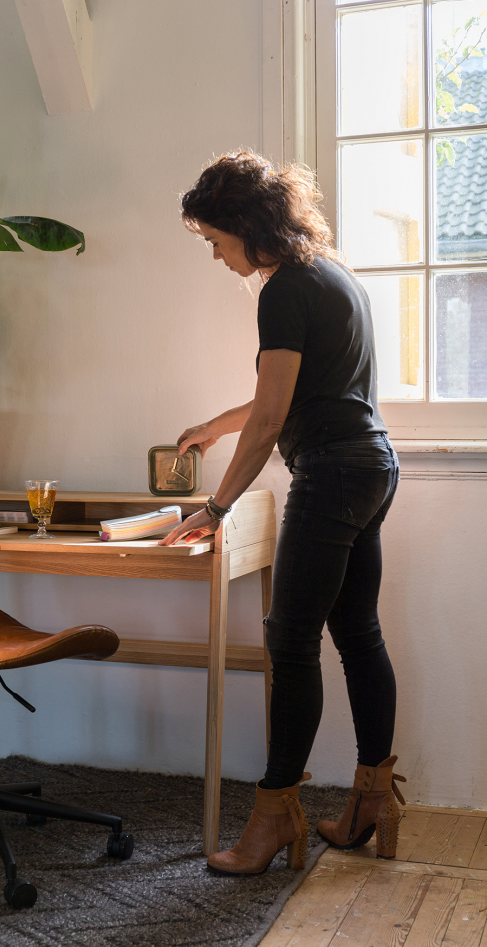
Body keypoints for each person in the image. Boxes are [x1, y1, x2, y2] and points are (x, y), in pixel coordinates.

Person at [159, 151, 405, 875]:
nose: (213, 253)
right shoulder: (330, 274)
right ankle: (373, 798)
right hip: (371, 465)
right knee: (357, 633)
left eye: (213, 238)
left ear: (242, 225)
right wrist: (216, 425)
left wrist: (216, 504)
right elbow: (291, 393)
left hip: (331, 474)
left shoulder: (283, 289)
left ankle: (274, 817)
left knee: (289, 639)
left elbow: (275, 416)